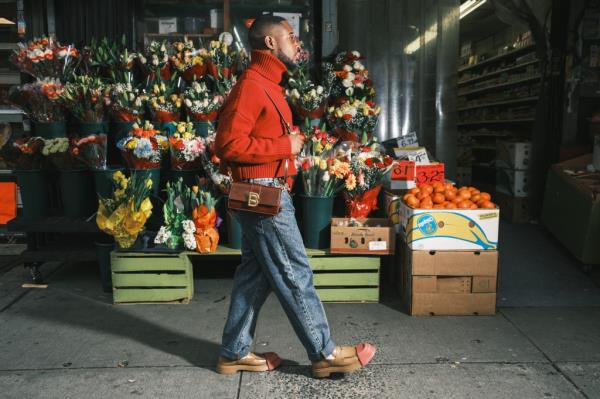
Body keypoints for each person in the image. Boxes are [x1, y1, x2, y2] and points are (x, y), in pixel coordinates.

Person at [214, 15, 376, 379]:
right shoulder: (252, 85)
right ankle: (325, 352)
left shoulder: (268, 83)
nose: (296, 42)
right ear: (270, 43)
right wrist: (283, 145)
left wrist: (287, 150)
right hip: (264, 193)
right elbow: (226, 144)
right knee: (293, 272)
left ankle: (234, 352)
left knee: (254, 276)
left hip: (268, 189)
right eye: (290, 36)